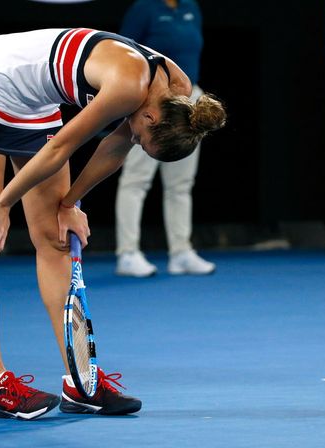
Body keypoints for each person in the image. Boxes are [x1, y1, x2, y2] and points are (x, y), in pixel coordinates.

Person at [0, 27, 226, 420]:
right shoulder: (131, 87)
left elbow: (114, 146)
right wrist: (2, 205)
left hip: (36, 101)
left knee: (56, 238)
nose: (136, 140)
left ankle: (81, 383)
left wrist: (69, 204)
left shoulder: (176, 92)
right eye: (143, 139)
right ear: (149, 116)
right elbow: (62, 146)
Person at [114, 0, 215, 277]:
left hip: (189, 99)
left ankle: (181, 252)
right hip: (152, 102)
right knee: (136, 180)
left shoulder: (192, 7)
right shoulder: (144, 8)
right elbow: (123, 53)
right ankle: (128, 253)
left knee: (181, 183)